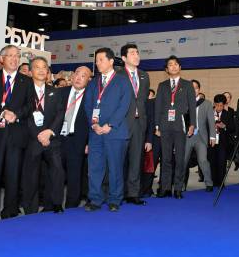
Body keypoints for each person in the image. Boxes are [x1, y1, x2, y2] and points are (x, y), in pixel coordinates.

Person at [0, 45, 34, 222]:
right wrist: (2, 113)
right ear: (2, 59)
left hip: (16, 135)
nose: (14, 59)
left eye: (17, 56)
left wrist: (16, 114)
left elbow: (30, 105)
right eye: (10, 55)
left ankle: (10, 211)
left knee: (13, 175)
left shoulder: (26, 81)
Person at [84, 48, 131, 212]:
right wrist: (94, 124)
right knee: (95, 168)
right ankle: (95, 199)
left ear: (111, 61)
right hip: (95, 132)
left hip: (114, 132)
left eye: (101, 60)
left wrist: (109, 125)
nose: (97, 63)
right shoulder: (93, 82)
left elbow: (124, 105)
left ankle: (115, 199)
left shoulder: (123, 81)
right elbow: (88, 105)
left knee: (115, 167)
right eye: (96, 60)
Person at [21, 57, 65, 214]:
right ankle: (30, 208)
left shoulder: (56, 92)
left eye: (44, 67)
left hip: (51, 140)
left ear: (48, 71)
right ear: (31, 71)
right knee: (31, 175)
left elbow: (60, 114)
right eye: (37, 67)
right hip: (32, 140)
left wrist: (49, 132)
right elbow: (24, 116)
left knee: (57, 172)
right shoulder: (24, 92)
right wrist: (38, 135)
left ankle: (56, 204)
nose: (41, 70)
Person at [155, 56, 196, 199]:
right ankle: (165, 188)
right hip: (165, 126)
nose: (173, 67)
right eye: (170, 65)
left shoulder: (187, 85)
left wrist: (192, 124)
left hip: (181, 126)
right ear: (167, 69)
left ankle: (178, 188)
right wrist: (157, 125)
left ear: (180, 67)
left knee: (179, 159)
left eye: (175, 64)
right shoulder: (162, 85)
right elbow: (158, 107)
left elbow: (192, 106)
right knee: (165, 159)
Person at [119, 44, 150, 206]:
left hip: (139, 124)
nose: (136, 55)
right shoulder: (117, 75)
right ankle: (118, 193)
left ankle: (133, 193)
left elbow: (143, 101)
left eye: (137, 53)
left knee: (136, 160)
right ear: (124, 58)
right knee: (119, 160)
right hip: (122, 123)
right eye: (132, 53)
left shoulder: (144, 76)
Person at [59, 66, 91, 208]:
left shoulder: (91, 97)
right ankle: (54, 204)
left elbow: (93, 121)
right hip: (58, 139)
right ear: (72, 76)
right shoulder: (60, 92)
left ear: (88, 80)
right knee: (55, 174)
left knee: (74, 175)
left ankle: (71, 206)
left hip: (77, 140)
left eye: (83, 75)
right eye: (77, 74)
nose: (79, 77)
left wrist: (89, 142)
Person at [184, 80, 215, 192]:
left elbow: (211, 121)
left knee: (203, 160)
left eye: (196, 88)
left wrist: (212, 136)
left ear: (199, 89)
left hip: (201, 137)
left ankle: (209, 183)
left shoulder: (206, 103)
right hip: (186, 137)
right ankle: (181, 184)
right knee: (183, 161)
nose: (193, 90)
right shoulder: (183, 103)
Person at [209, 94, 234, 187]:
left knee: (222, 162)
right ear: (214, 104)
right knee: (212, 161)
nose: (219, 107)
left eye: (221, 105)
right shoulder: (209, 112)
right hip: (211, 141)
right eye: (217, 105)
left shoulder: (227, 114)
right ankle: (213, 181)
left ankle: (221, 182)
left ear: (224, 105)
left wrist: (224, 126)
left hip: (223, 142)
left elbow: (232, 128)